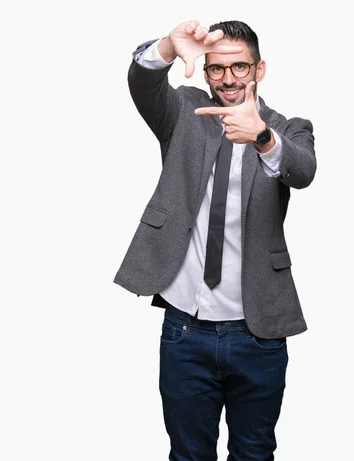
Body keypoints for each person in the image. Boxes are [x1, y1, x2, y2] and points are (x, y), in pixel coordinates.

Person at [113, 19, 317, 461]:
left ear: (259, 70)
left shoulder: (288, 128)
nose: (228, 79)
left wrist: (262, 138)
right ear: (206, 72)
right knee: (188, 455)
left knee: (254, 453)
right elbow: (142, 83)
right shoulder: (184, 112)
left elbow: (302, 170)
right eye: (217, 69)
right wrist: (167, 46)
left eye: (240, 68)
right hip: (186, 330)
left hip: (258, 333)